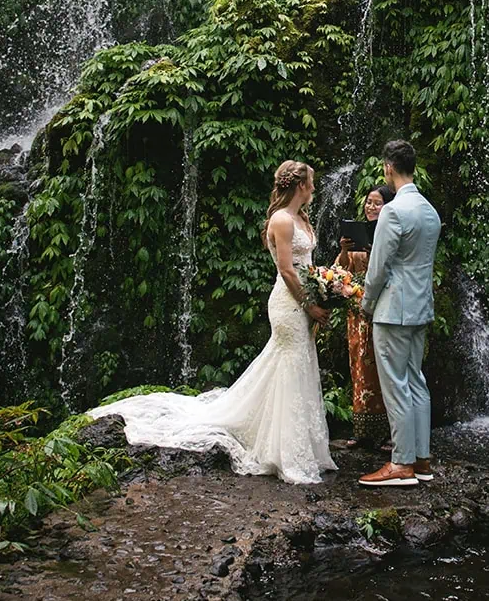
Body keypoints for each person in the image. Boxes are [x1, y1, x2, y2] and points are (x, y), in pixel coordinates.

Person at [85, 160, 336, 484]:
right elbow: (287, 270)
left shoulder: (301, 218)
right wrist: (309, 304)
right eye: (311, 182)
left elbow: (307, 265)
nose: (314, 188)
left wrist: (325, 288)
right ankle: (285, 452)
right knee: (289, 366)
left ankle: (298, 446)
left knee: (297, 367)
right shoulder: (282, 219)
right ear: (300, 185)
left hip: (303, 299)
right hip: (288, 303)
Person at [358, 140, 442, 487]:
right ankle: (422, 459)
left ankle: (401, 463)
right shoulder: (429, 211)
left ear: (388, 168)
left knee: (394, 384)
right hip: (421, 308)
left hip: (393, 310)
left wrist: (366, 303)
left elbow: (378, 267)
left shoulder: (393, 211)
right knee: (416, 381)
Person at [332, 184, 397, 450]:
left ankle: (389, 432)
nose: (371, 207)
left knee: (380, 369)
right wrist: (346, 249)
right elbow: (339, 269)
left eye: (377, 203)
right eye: (368, 202)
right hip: (356, 311)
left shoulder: (390, 233)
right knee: (358, 368)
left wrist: (373, 251)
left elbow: (388, 269)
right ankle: (362, 432)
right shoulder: (358, 235)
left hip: (380, 308)